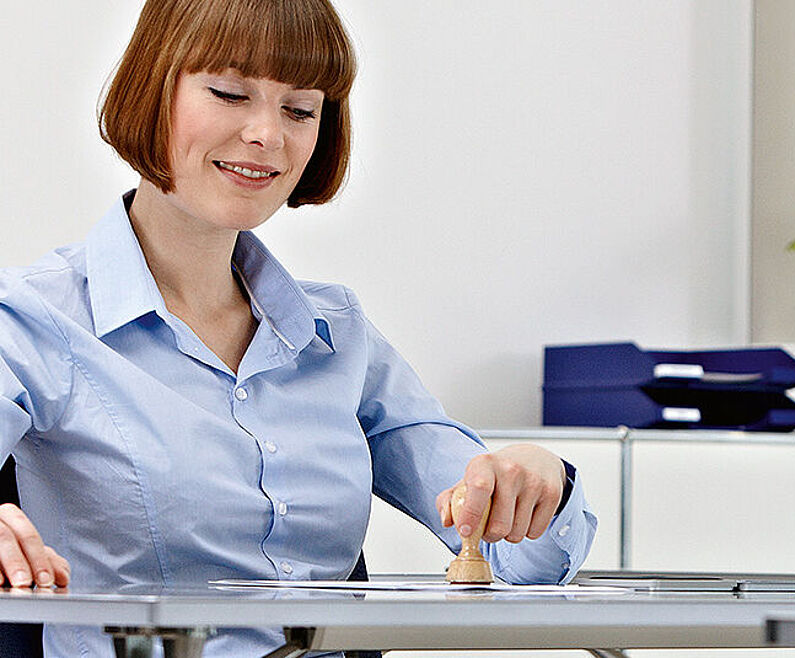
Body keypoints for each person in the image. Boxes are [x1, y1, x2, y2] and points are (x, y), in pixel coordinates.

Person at [0, 0, 596, 653]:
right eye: (229, 93)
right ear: (152, 87)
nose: (268, 135)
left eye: (299, 110)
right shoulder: (36, 319)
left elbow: (517, 559)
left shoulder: (335, 334)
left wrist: (536, 483)